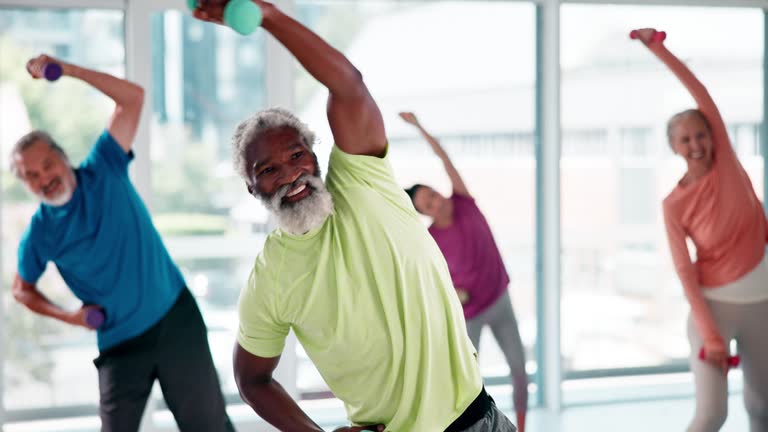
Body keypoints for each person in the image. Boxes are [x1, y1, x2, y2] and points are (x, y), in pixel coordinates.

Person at [192, 2, 516, 431]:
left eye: (296, 154)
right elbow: (251, 379)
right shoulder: (271, 277)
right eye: (268, 170)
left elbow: (348, 86)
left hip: (481, 421)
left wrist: (268, 16)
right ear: (253, 190)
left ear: (315, 155)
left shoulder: (364, 180)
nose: (291, 173)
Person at [11, 55, 234, 432]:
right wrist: (70, 317)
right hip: (119, 343)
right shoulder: (40, 234)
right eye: (31, 176)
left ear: (63, 158)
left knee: (209, 427)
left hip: (174, 318)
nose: (43, 178)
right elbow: (21, 290)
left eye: (47, 165)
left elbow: (132, 98)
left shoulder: (105, 167)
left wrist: (69, 69)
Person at [632, 28, 768, 431]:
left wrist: (659, 48)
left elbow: (700, 91)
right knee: (712, 415)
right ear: (674, 147)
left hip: (762, 306)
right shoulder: (674, 204)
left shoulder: (725, 161)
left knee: (762, 407)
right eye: (685, 139)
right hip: (714, 310)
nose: (696, 143)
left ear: (713, 137)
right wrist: (711, 335)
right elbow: (684, 270)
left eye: (701, 134)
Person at [401, 112, 528, 432]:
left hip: (500, 301)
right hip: (469, 314)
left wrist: (419, 127)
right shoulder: (431, 239)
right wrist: (455, 293)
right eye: (427, 204)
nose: (435, 201)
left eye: (432, 193)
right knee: (468, 384)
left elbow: (445, 159)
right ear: (424, 214)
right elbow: (431, 281)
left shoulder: (464, 200)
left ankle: (522, 427)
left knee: (519, 369)